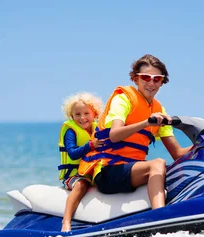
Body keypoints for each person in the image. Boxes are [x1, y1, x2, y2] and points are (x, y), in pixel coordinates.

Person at [78, 54, 194, 210]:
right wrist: (146, 122)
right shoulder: (123, 99)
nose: (151, 83)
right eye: (146, 77)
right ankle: (159, 216)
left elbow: (178, 153)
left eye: (156, 79)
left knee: (174, 171)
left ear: (162, 82)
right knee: (158, 163)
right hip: (107, 172)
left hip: (131, 170)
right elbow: (115, 134)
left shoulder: (159, 110)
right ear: (135, 79)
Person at [58, 92, 104, 231]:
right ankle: (66, 221)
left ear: (94, 114)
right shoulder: (70, 131)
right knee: (81, 185)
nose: (82, 118)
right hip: (73, 175)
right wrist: (90, 145)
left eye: (86, 113)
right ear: (72, 116)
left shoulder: (98, 128)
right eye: (77, 114)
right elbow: (72, 154)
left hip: (92, 171)